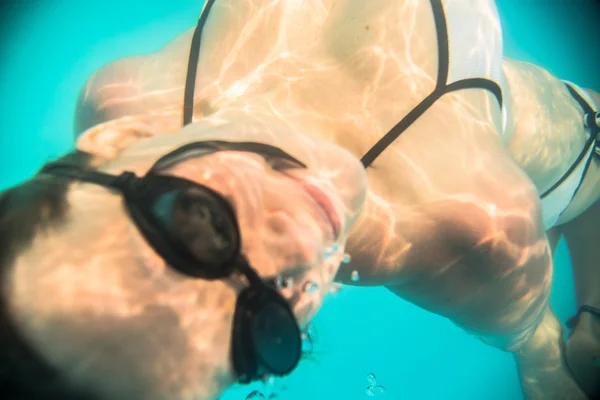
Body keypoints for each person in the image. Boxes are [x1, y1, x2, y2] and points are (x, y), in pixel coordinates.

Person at [2, 0, 598, 399]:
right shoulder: (468, 225)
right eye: (262, 334)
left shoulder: (122, 98)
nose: (300, 250)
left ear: (118, 142)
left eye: (198, 224)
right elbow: (534, 340)